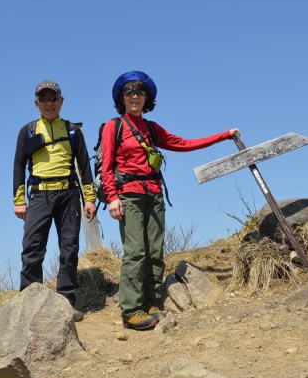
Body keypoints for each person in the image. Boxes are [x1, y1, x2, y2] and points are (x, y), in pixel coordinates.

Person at [100, 71, 239, 330]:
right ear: (122, 97)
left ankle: (152, 304)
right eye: (129, 92)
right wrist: (112, 198)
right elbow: (106, 166)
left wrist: (224, 135)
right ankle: (131, 311)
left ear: (146, 97)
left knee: (154, 251)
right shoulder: (113, 126)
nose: (134, 96)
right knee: (136, 253)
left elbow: (184, 143)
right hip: (129, 195)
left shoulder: (152, 128)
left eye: (139, 92)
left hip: (154, 193)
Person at [13, 80, 97, 321]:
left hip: (69, 193)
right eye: (44, 99)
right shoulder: (27, 130)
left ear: (61, 101)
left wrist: (89, 199)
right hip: (39, 194)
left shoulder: (73, 131)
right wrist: (19, 201)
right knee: (32, 248)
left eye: (53, 99)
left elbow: (84, 166)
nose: (49, 103)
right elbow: (18, 166)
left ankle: (67, 301)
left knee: (69, 248)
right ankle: (30, 302)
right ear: (36, 103)